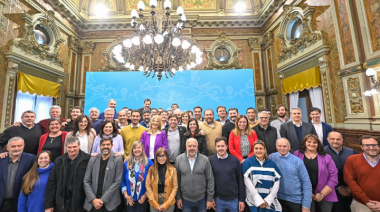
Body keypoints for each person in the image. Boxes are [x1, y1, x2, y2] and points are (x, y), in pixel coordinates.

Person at [44, 137, 91, 212]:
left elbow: (91, 182)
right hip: (62, 203)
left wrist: (89, 201)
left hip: (80, 203)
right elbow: (52, 183)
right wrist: (49, 205)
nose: (72, 149)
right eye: (69, 147)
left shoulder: (88, 159)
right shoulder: (59, 160)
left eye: (74, 147)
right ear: (66, 147)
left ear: (79, 146)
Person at [293, 134, 338, 212]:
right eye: (309, 142)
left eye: (314, 142)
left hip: (325, 193)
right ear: (304, 143)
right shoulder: (297, 154)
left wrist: (322, 194)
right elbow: (293, 175)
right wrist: (306, 192)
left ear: (318, 144)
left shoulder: (326, 157)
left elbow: (333, 177)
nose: (312, 144)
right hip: (304, 193)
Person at [269, 138, 312, 212]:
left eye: (285, 146)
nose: (282, 148)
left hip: (295, 200)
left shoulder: (297, 161)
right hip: (277, 199)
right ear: (276, 146)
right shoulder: (271, 158)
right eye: (279, 146)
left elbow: (306, 183)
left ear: (289, 147)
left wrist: (306, 205)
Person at [83, 137, 123, 212]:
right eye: (103, 145)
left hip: (110, 203)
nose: (105, 146)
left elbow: (117, 182)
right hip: (93, 202)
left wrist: (102, 200)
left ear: (112, 146)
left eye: (108, 144)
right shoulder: (93, 159)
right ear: (99, 146)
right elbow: (86, 181)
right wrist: (93, 199)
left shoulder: (118, 159)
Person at [175, 138, 214, 211]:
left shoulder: (205, 159)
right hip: (185, 200)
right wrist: (178, 198)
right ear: (186, 147)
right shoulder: (179, 159)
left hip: (202, 199)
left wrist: (210, 199)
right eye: (189, 146)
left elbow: (210, 180)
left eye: (194, 146)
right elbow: (176, 180)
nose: (192, 148)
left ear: (197, 146)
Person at [242, 140, 282, 212]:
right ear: (253, 150)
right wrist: (258, 200)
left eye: (261, 148)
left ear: (265, 149)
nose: (258, 151)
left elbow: (277, 182)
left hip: (269, 202)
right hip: (253, 202)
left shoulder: (271, 164)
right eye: (256, 148)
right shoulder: (248, 162)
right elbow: (247, 182)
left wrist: (268, 200)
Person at [344, 135, 380, 212]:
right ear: (361, 147)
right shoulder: (352, 160)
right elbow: (350, 181)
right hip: (361, 204)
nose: (371, 148)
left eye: (374, 145)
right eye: (367, 145)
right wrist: (366, 201)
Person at [209, 137, 245, 212]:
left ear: (227, 147)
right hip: (218, 200)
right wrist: (210, 198)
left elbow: (240, 180)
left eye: (222, 146)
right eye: (218, 146)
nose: (220, 148)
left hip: (234, 200)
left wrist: (241, 200)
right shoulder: (210, 160)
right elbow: (208, 181)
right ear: (215, 147)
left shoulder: (235, 160)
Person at [324, 131, 357, 212]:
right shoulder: (322, 153)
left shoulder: (352, 152)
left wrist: (349, 188)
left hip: (350, 189)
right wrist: (337, 187)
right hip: (331, 190)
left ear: (342, 141)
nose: (335, 141)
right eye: (332, 139)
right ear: (328, 140)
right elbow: (320, 174)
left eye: (338, 139)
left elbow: (358, 171)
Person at [0, 137, 35, 212]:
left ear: (24, 146)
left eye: (19, 146)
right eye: (13, 146)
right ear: (7, 147)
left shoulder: (32, 159)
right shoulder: (1, 158)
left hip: (18, 203)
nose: (16, 148)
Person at [121, 141, 153, 212]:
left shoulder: (149, 162)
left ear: (142, 149)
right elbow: (122, 180)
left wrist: (145, 195)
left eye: (139, 147)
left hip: (143, 198)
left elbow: (152, 181)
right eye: (135, 148)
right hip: (129, 198)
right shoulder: (127, 162)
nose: (137, 150)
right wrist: (126, 196)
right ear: (132, 150)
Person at [146, 148, 178, 212]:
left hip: (169, 202)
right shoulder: (151, 169)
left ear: (166, 156)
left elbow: (175, 187)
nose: (161, 158)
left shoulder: (173, 170)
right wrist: (155, 203)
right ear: (156, 157)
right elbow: (148, 186)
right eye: (159, 156)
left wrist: (166, 204)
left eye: (163, 155)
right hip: (154, 201)